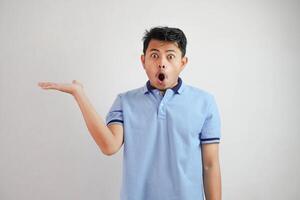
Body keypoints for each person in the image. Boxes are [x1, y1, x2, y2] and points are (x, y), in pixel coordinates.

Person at [38, 26, 222, 200]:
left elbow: (210, 165)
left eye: (170, 56)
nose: (162, 64)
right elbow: (109, 146)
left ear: (183, 63)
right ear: (143, 61)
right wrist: (79, 94)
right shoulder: (125, 102)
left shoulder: (205, 102)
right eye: (155, 55)